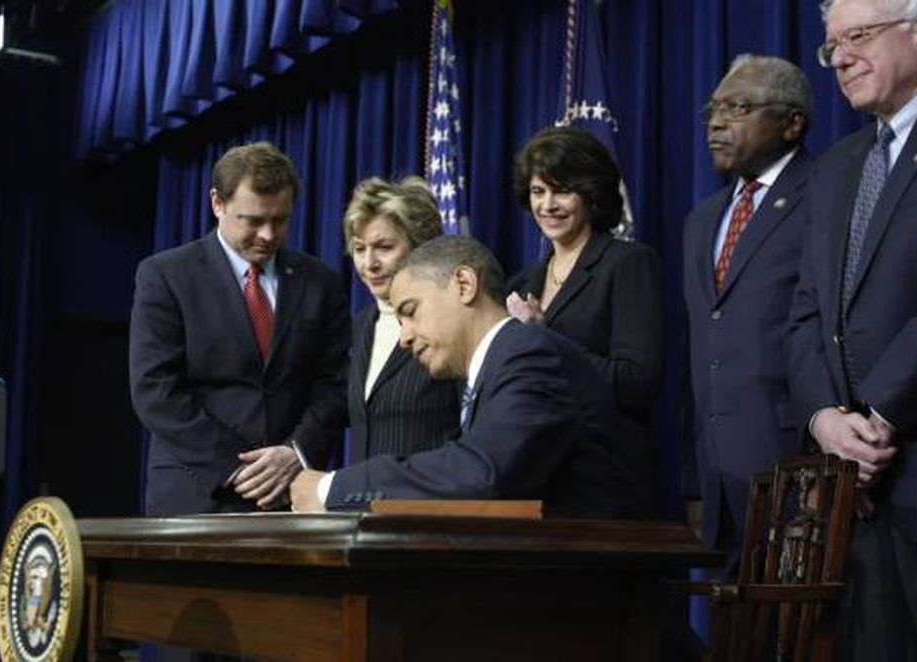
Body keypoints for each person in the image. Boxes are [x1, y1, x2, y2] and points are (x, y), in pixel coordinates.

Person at [787, 1, 917, 659]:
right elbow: (804, 315)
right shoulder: (836, 167)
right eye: (830, 45)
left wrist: (877, 417)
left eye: (857, 36)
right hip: (856, 499)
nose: (839, 58)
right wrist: (824, 424)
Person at [290, 235, 649, 518]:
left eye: (411, 312)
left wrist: (331, 488)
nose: (404, 337)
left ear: (464, 284)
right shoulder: (499, 362)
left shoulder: (530, 354)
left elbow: (478, 474)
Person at [129, 141, 349, 516]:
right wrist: (239, 468)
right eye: (253, 220)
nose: (267, 234)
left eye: (279, 220)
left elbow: (336, 383)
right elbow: (155, 388)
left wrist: (294, 452)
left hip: (292, 493)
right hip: (195, 492)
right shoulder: (166, 275)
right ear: (218, 203)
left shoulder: (320, 283)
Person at [681, 54, 814, 576]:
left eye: (738, 107)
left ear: (792, 122)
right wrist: (694, 481)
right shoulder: (702, 220)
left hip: (796, 472)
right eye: (712, 110)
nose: (717, 122)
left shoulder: (827, 192)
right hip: (718, 482)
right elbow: (699, 351)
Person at [505, 126, 664, 514]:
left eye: (562, 191)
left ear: (591, 194)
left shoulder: (627, 263)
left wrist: (546, 340)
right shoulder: (523, 284)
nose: (548, 205)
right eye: (538, 192)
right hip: (539, 477)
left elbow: (637, 383)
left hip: (605, 482)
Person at [342, 176, 460, 462]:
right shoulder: (356, 330)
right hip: (358, 504)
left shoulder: (452, 325)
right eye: (359, 249)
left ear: (420, 246)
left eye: (383, 247)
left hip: (428, 502)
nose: (369, 264)